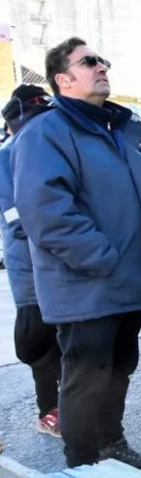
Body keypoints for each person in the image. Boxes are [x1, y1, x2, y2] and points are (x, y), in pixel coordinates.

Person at [12, 37, 141, 472]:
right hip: (86, 283)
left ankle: (110, 443)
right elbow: (46, 213)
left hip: (123, 279)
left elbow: (137, 201)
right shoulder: (45, 132)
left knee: (119, 367)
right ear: (63, 79)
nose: (102, 67)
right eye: (89, 62)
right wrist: (103, 257)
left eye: (103, 60)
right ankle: (83, 470)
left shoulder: (112, 128)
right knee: (84, 379)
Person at [1, 85, 61, 438]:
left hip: (58, 267)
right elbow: (17, 218)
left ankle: (68, 406)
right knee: (40, 343)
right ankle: (49, 411)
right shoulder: (10, 155)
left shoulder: (46, 148)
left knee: (66, 341)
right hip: (31, 270)